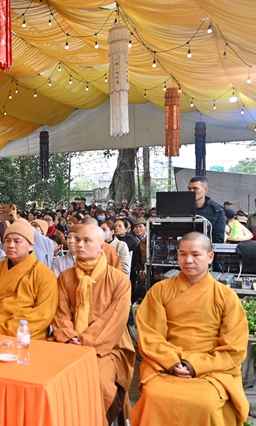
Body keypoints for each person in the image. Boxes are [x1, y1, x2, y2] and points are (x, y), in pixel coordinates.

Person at [131, 232, 249, 426]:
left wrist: (195, 365)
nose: (188, 260)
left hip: (211, 369)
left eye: (195, 254)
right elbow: (151, 336)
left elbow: (234, 347)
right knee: (154, 395)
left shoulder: (226, 296)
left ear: (210, 257)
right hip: (167, 365)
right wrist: (172, 362)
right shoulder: (160, 291)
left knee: (207, 403)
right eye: (182, 254)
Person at [52, 224, 135, 425]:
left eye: (86, 241)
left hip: (107, 345)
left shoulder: (119, 280)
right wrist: (70, 337)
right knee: (48, 372)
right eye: (77, 240)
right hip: (68, 340)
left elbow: (115, 320)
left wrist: (85, 341)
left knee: (97, 382)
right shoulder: (66, 277)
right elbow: (60, 313)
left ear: (101, 247)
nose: (79, 244)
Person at [0, 219, 58, 340]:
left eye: (17, 241)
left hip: (24, 337)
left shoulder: (46, 275)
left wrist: (0, 330)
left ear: (30, 245)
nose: (11, 245)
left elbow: (42, 316)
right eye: (7, 240)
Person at [188, 176, 225, 243]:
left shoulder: (217, 211)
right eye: (189, 188)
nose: (191, 191)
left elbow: (218, 238)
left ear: (206, 190)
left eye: (195, 188)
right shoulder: (181, 208)